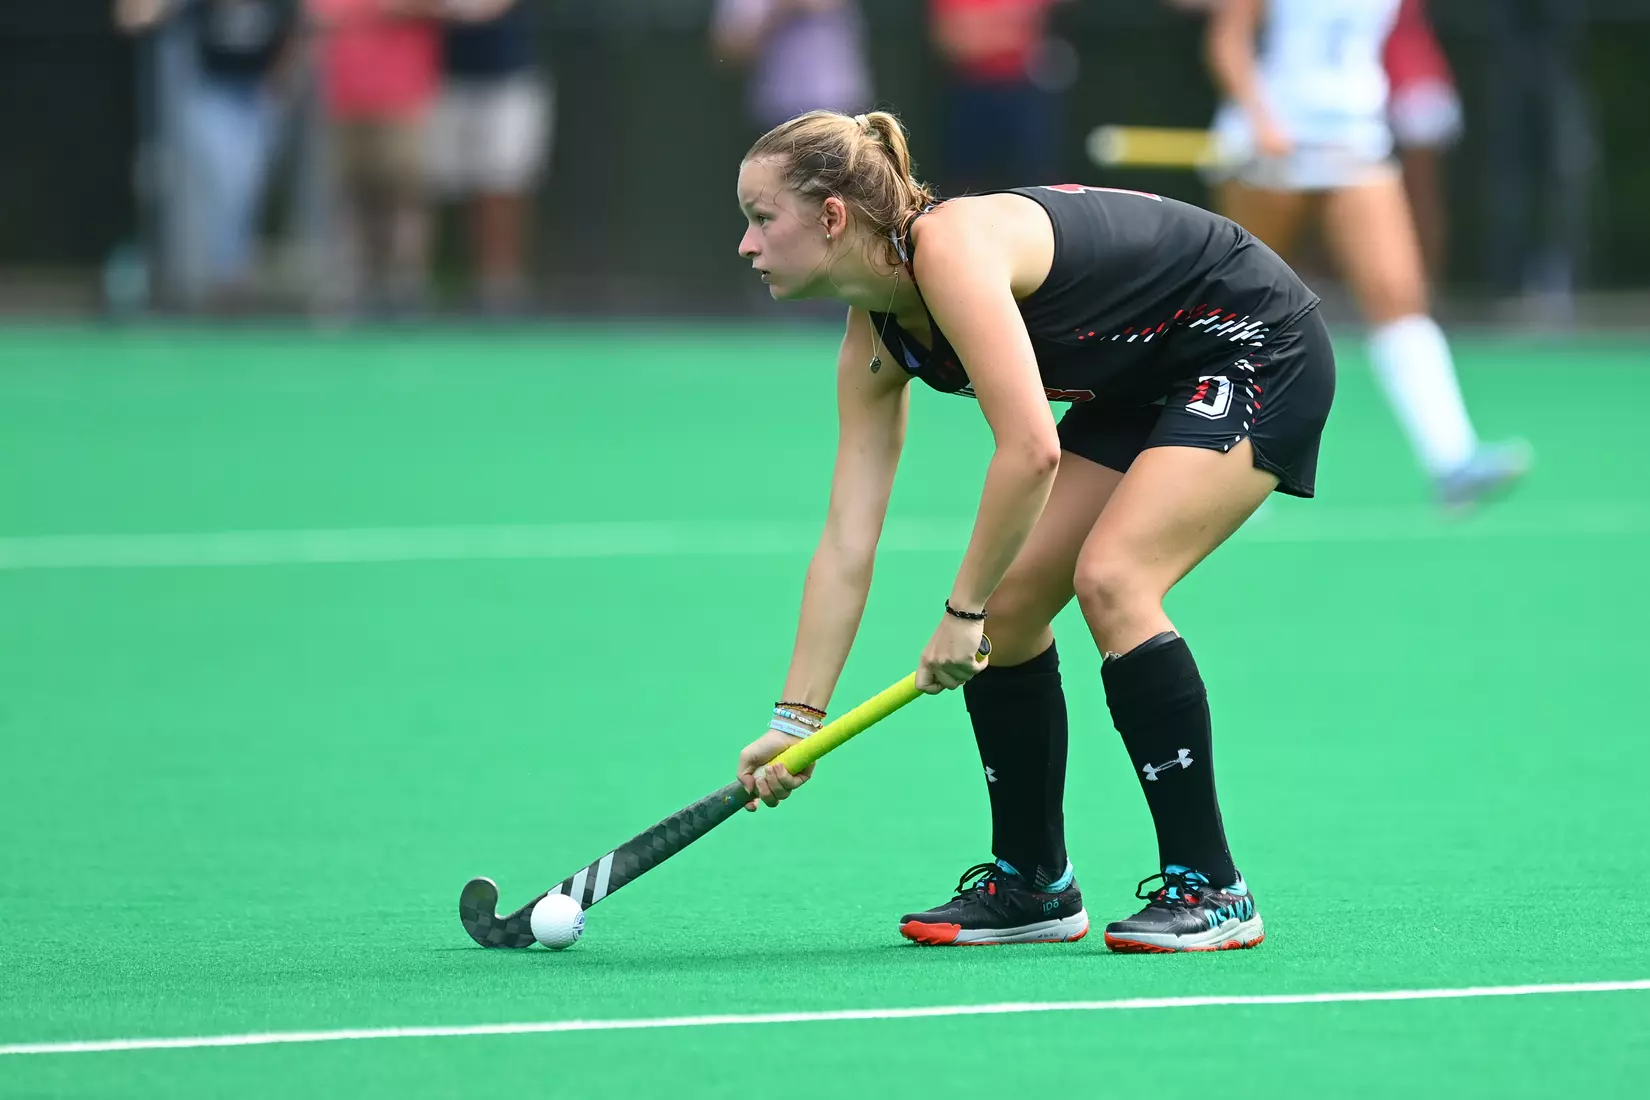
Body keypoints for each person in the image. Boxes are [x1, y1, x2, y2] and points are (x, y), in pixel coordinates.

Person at [731, 109, 1335, 952]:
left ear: (832, 217)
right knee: (1013, 616)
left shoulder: (949, 250)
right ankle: (1034, 885)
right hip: (1143, 376)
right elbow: (846, 541)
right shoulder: (876, 335)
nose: (747, 245)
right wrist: (798, 721)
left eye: (763, 219)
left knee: (1113, 578)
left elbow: (1030, 450)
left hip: (1250, 343)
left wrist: (961, 610)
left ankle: (1215, 888)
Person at [1204, 0, 1529, 510]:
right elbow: (1228, 41)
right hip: (1273, 146)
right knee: (1242, 310)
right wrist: (1260, 118)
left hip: (1355, 140)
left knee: (1399, 296)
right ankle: (1211, 467)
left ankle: (1452, 459)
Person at [429, 0, 551, 314]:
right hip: (450, 79)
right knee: (466, 184)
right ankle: (476, 284)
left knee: (505, 182)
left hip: (510, 79)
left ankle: (503, 286)